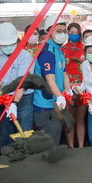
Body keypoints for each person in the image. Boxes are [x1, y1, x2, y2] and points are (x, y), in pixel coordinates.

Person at [0, 23, 35, 148]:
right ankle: (7, 162)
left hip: (23, 100)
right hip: (4, 99)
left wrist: (14, 104)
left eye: (10, 44)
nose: (7, 48)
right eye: (4, 45)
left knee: (23, 133)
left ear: (17, 40)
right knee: (6, 134)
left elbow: (22, 83)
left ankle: (25, 163)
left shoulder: (25, 57)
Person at [34, 15, 70, 145]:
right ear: (49, 32)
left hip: (56, 101)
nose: (62, 34)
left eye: (64, 31)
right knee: (48, 138)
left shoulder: (58, 50)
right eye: (58, 31)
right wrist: (60, 96)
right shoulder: (47, 53)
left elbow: (64, 72)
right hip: (45, 104)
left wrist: (67, 89)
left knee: (56, 134)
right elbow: (50, 80)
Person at [62, 22, 86, 148]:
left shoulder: (85, 48)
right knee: (69, 120)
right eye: (71, 33)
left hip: (82, 87)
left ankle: (81, 146)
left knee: (81, 119)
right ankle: (71, 146)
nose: (74, 35)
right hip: (67, 87)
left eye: (76, 33)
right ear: (68, 34)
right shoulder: (62, 49)